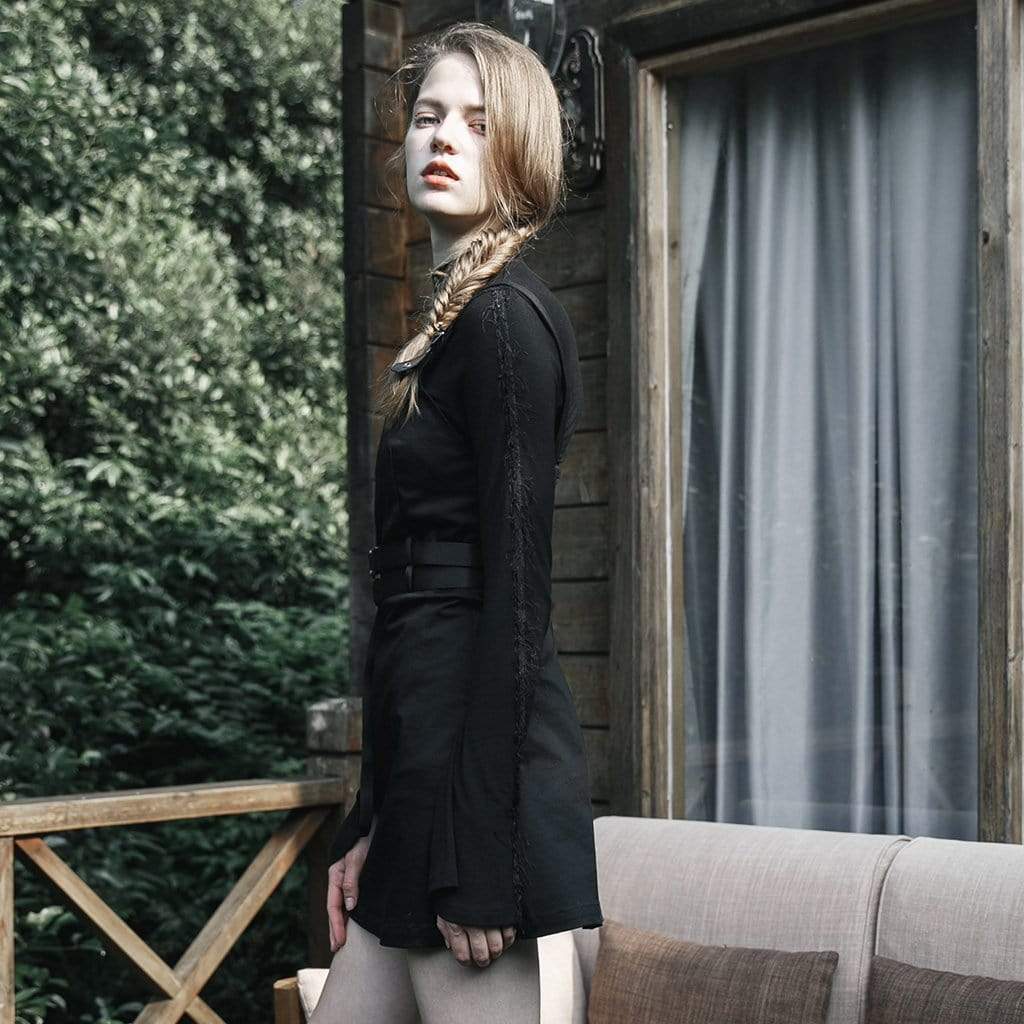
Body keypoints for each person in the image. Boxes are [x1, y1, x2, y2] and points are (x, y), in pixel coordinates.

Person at [309, 19, 603, 1022]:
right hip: (419, 785)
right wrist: (371, 817)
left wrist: (478, 856)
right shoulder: (450, 325)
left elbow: (515, 599)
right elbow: (411, 622)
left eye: (477, 122)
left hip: (474, 810)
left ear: (520, 148)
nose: (444, 137)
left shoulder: (505, 322)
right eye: (429, 116)